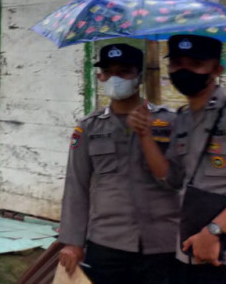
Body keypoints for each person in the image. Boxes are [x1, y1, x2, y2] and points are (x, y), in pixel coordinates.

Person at [58, 43, 178, 284]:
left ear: (139, 77)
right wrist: (72, 242)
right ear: (100, 77)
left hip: (162, 242)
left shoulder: (169, 122)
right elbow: (76, 186)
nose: (115, 78)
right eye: (108, 72)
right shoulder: (89, 127)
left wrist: (147, 134)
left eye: (124, 71)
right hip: (107, 241)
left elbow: (178, 180)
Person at [131, 34, 226, 283]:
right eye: (177, 63)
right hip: (190, 246)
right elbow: (171, 178)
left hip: (217, 246)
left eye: (195, 64)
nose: (184, 71)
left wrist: (214, 231)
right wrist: (145, 136)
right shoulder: (183, 119)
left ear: (217, 69)